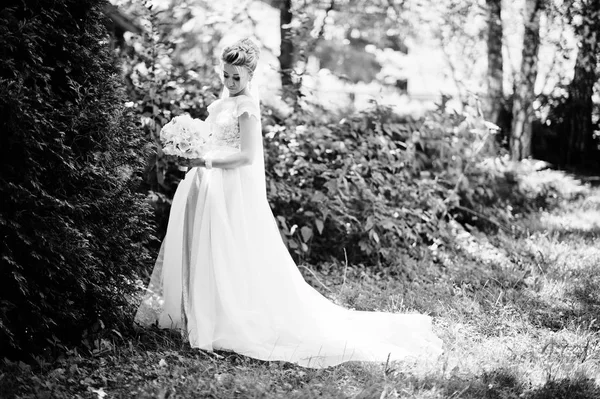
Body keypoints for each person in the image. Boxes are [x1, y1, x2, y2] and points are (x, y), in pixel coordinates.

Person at [135, 38, 443, 368]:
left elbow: (247, 155)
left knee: (228, 251)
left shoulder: (247, 108)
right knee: (206, 250)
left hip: (227, 186)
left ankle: (226, 315)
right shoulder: (219, 105)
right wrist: (191, 149)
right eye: (225, 75)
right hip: (207, 182)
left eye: (236, 78)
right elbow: (213, 139)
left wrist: (205, 162)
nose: (229, 83)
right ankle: (198, 310)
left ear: (250, 76)